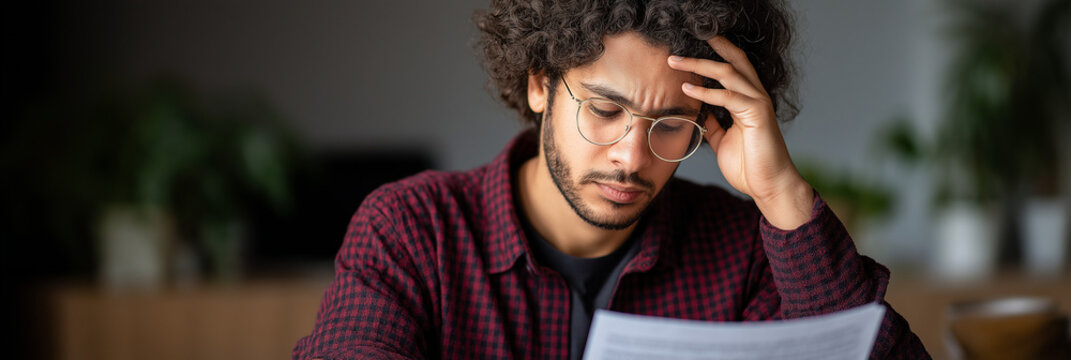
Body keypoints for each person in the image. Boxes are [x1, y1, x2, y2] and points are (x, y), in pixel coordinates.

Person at [293, 0, 930, 359]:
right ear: (541, 84)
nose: (631, 157)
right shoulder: (413, 231)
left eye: (671, 124)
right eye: (604, 110)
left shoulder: (741, 252)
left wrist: (781, 195)